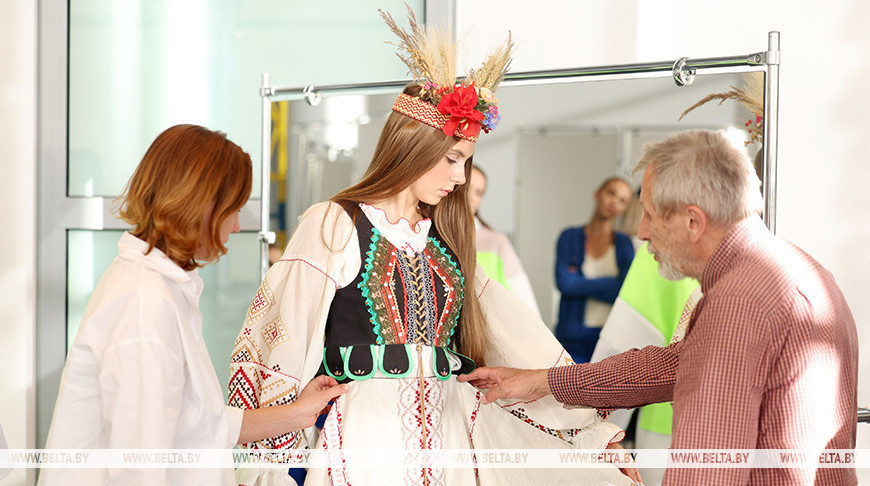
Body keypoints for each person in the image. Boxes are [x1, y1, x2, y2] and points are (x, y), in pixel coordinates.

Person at [228, 7, 639, 486]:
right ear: (412, 148)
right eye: (451, 159)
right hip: (366, 432)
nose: (459, 177)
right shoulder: (334, 223)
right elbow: (283, 331)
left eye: (465, 161)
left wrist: (588, 427)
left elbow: (516, 331)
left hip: (450, 432)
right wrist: (280, 429)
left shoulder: (445, 240)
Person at [460, 129, 859, 485]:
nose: (641, 231)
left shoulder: (739, 303)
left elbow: (707, 464)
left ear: (693, 221)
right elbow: (670, 366)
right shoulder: (792, 269)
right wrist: (545, 380)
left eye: (650, 215)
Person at [39, 124, 347, 486]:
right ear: (201, 207)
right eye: (233, 210)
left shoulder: (161, 289)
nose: (234, 227)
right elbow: (139, 470)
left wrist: (297, 414)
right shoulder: (146, 305)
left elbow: (204, 423)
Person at [553, 176, 635, 363]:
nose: (614, 202)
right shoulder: (569, 237)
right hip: (572, 338)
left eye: (622, 201)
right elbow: (565, 284)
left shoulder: (624, 244)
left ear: (624, 209)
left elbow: (624, 289)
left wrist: (579, 284)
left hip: (611, 339)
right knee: (568, 389)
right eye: (611, 193)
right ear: (597, 193)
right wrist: (611, 284)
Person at [467, 165, 541, 317]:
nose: (470, 196)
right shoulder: (425, 234)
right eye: (466, 186)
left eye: (479, 192)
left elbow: (525, 301)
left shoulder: (496, 242)